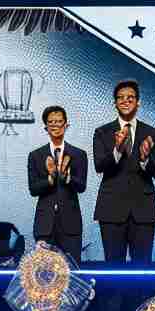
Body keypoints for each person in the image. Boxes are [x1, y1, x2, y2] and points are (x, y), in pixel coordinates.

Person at [93, 80, 155, 264]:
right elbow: (99, 166)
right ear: (115, 103)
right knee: (114, 265)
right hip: (111, 209)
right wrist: (116, 149)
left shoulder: (152, 133)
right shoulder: (102, 132)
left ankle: (141, 295)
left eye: (130, 97)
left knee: (143, 266)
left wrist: (145, 158)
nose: (125, 101)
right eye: (120, 98)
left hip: (143, 210)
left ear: (138, 102)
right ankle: (115, 295)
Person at [29, 105, 90, 261]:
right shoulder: (36, 155)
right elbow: (33, 188)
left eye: (59, 121)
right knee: (44, 274)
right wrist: (50, 179)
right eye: (51, 122)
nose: (55, 125)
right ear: (46, 127)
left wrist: (67, 178)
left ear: (66, 125)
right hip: (45, 224)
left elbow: (81, 186)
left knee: (71, 271)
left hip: (70, 223)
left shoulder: (79, 154)